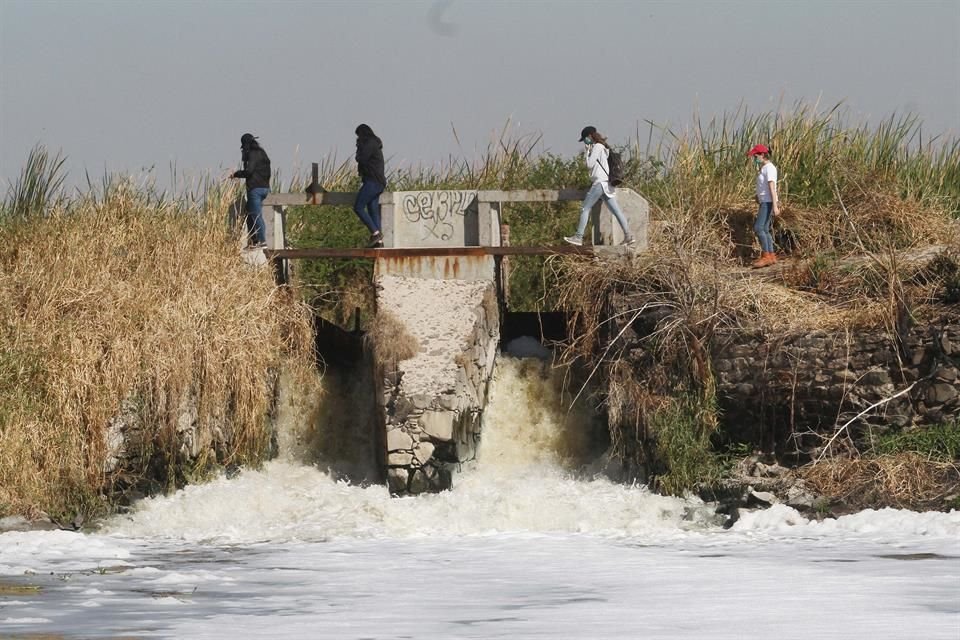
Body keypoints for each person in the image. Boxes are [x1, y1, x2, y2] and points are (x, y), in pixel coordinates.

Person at [564, 126, 635, 247]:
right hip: (607, 184)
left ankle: (578, 237)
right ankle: (628, 236)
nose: (585, 141)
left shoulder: (597, 147)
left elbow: (589, 164)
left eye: (585, 139)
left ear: (589, 136)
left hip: (600, 183)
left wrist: (587, 151)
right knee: (616, 211)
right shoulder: (603, 147)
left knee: (584, 208)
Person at [230, 133, 271, 248]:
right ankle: (254, 240)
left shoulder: (252, 154)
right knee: (249, 212)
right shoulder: (262, 153)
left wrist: (236, 174)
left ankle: (262, 241)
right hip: (265, 188)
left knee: (256, 215)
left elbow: (249, 172)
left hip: (255, 189)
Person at [747, 144, 779, 268]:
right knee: (765, 229)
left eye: (756, 156)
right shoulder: (764, 168)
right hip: (764, 201)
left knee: (759, 228)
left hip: (768, 202)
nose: (754, 158)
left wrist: (775, 206)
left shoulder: (769, 168)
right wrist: (758, 197)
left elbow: (772, 187)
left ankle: (766, 256)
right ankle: (771, 255)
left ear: (763, 155)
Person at [354, 124, 387, 248]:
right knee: (373, 210)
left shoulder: (369, 143)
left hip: (372, 182)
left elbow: (361, 159)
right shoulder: (374, 143)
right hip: (378, 182)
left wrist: (358, 151)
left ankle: (376, 233)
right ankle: (379, 242)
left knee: (358, 207)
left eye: (358, 135)